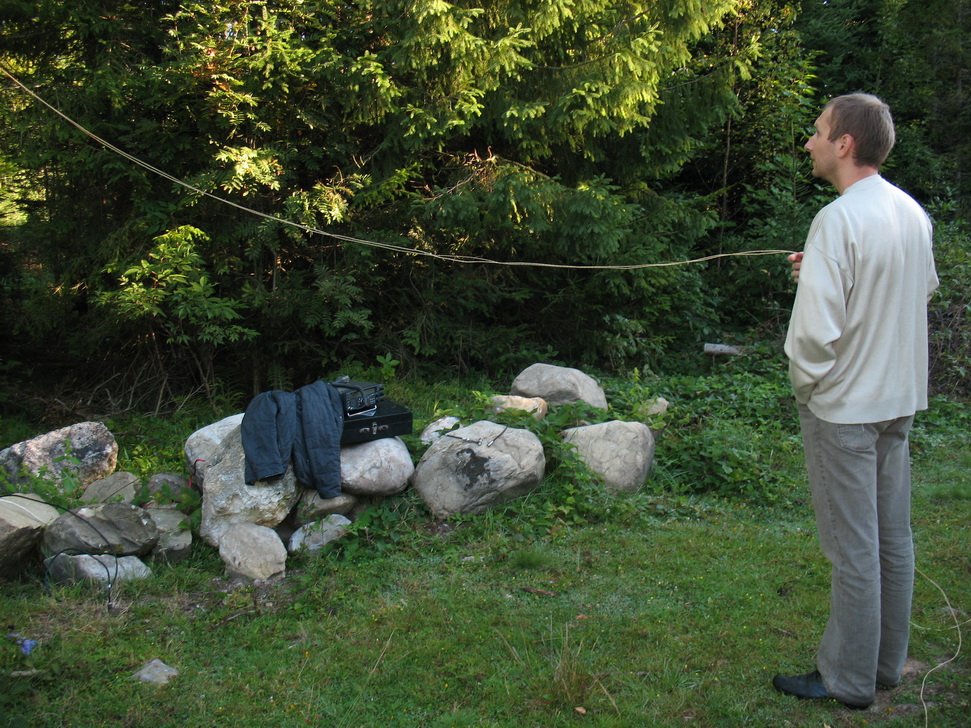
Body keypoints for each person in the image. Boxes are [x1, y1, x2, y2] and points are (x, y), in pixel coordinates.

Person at [773, 93, 939, 710]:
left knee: (854, 548)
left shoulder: (837, 219)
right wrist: (817, 272)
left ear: (845, 144)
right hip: (898, 400)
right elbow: (916, 289)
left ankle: (847, 679)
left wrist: (809, 387)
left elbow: (814, 336)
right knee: (891, 537)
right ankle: (884, 666)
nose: (810, 142)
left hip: (845, 409)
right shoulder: (910, 212)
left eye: (818, 131)